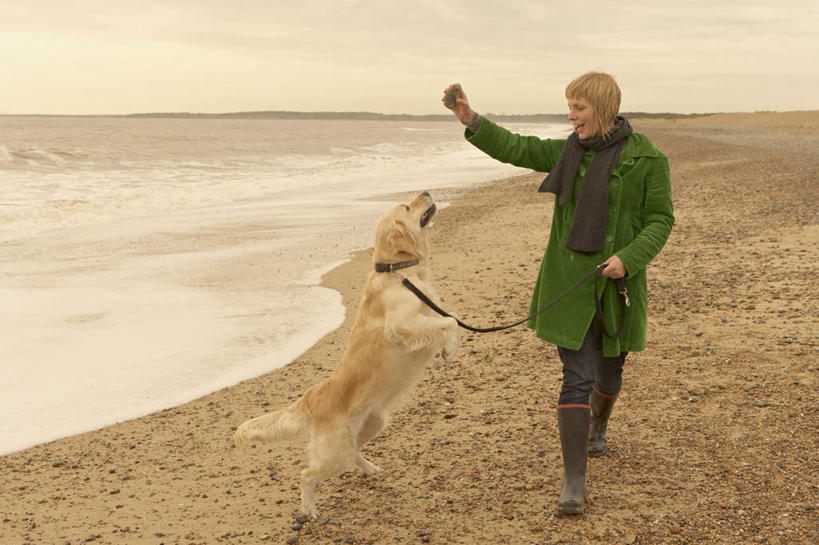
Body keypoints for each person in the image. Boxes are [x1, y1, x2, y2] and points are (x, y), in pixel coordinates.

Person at [443, 72, 674, 515]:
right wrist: (471, 120)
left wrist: (629, 257)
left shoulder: (649, 159)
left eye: (579, 108)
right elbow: (517, 148)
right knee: (576, 376)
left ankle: (598, 424)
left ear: (603, 108)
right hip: (569, 285)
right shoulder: (566, 152)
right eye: (570, 108)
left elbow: (660, 220)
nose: (571, 117)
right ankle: (574, 482)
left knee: (608, 375)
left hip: (617, 286)